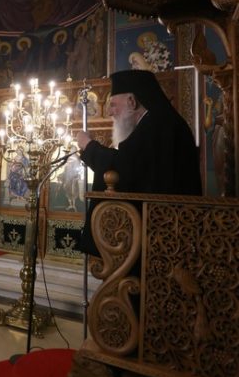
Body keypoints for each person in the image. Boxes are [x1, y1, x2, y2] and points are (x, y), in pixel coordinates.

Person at [76, 70, 202, 257]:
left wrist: (89, 146)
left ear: (132, 102)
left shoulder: (157, 125)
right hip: (165, 228)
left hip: (164, 234)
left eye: (113, 104)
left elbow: (123, 169)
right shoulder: (158, 122)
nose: (109, 112)